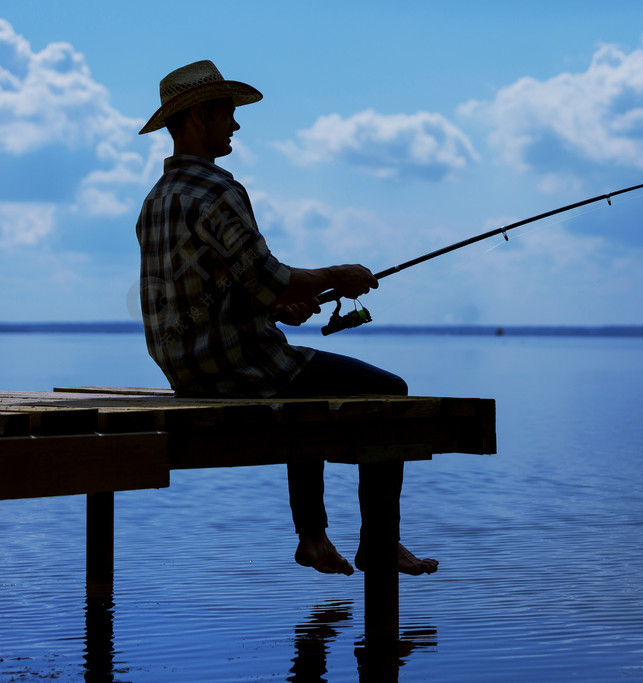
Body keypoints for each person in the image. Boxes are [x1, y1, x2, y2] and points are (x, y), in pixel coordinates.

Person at [135, 60, 437, 577]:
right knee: (393, 393)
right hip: (239, 364)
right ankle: (379, 543)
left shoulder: (155, 201)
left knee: (304, 385)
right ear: (199, 116)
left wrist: (274, 306)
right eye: (227, 113)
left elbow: (209, 290)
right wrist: (335, 275)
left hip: (185, 370)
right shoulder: (216, 192)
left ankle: (314, 537)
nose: (235, 124)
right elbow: (269, 274)